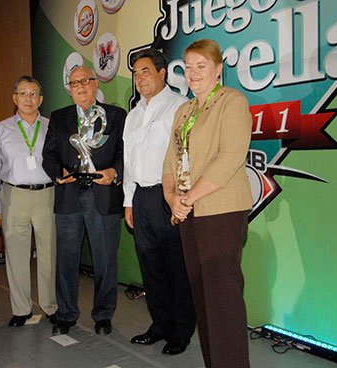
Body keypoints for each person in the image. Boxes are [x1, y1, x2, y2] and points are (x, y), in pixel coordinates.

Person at [162, 39, 253, 368]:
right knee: (202, 298)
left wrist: (186, 198)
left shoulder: (232, 102)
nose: (193, 73)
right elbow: (170, 162)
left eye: (201, 66)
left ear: (218, 69)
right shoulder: (183, 110)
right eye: (188, 67)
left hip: (220, 212)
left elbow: (229, 158)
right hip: (188, 213)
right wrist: (172, 197)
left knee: (223, 301)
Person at [42, 66, 126, 336]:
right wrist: (59, 173)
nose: (80, 86)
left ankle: (103, 315)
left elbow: (126, 152)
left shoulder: (115, 115)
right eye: (74, 82)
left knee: (105, 260)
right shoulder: (58, 117)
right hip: (69, 197)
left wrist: (115, 172)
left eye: (85, 81)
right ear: (69, 88)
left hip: (103, 196)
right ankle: (66, 314)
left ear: (95, 83)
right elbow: (49, 155)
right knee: (66, 260)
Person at [123, 48, 196, 355]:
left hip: (170, 197)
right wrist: (128, 201)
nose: (140, 78)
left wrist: (182, 195)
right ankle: (160, 325)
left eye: (145, 71)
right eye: (136, 73)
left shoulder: (180, 106)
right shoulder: (133, 115)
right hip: (140, 197)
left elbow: (188, 154)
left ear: (162, 73)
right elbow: (128, 161)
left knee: (176, 267)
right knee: (151, 267)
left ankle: (181, 331)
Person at [0, 76, 57, 328]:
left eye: (33, 94)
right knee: (16, 254)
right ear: (14, 98)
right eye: (23, 93)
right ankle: (21, 309)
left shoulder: (52, 126)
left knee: (48, 252)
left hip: (46, 194)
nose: (28, 99)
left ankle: (50, 306)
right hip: (13, 195)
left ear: (40, 99)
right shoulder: (1, 129)